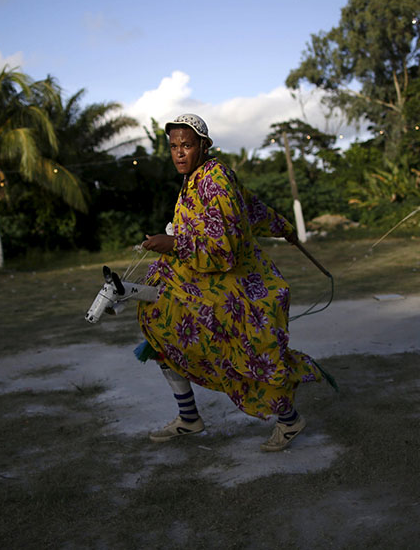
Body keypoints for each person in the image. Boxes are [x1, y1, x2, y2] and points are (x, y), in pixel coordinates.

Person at [137, 113, 332, 452]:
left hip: (236, 290)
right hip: (204, 282)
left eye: (187, 145)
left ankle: (289, 421)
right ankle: (188, 417)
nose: (179, 153)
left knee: (249, 357)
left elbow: (225, 248)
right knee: (161, 326)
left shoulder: (216, 179)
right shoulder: (195, 180)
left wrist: (173, 244)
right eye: (173, 147)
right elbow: (252, 207)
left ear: (204, 145)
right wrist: (283, 226)